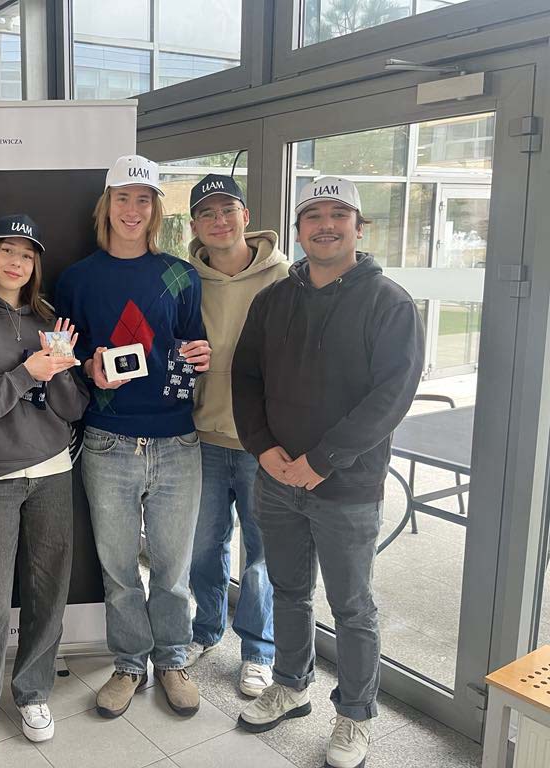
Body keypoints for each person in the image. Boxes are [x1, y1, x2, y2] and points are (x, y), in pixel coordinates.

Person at [232, 177, 424, 768]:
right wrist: (262, 447)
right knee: (289, 591)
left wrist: (322, 460)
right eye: (313, 214)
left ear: (359, 228)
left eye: (339, 214)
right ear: (298, 231)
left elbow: (391, 396)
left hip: (347, 487)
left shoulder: (389, 303)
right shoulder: (273, 300)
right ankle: (291, 685)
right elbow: (246, 377)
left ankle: (355, 716)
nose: (326, 224)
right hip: (276, 479)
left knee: (352, 607)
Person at [55, 155, 212, 720]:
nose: (132, 209)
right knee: (119, 571)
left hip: (176, 442)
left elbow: (191, 348)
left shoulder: (180, 275)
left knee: (172, 570)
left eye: (143, 199)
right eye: (122, 197)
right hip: (108, 441)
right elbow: (63, 359)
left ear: (155, 210)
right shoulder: (76, 279)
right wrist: (87, 369)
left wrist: (201, 355)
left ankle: (172, 660)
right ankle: (128, 664)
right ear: (107, 205)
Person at [0, 215, 90, 759]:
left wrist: (62, 371)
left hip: (53, 470)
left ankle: (33, 693)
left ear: (35, 266)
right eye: (8, 251)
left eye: (27, 255)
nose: (16, 262)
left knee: (48, 590)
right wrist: (29, 371)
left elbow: (73, 408)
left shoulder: (49, 317)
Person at [184, 174, 288, 697]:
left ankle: (258, 651)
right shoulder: (185, 281)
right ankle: (205, 629)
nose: (219, 221)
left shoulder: (285, 278)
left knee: (261, 554)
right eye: (207, 213)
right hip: (201, 436)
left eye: (228, 210)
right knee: (203, 547)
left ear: (246, 216)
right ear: (195, 226)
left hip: (261, 443)